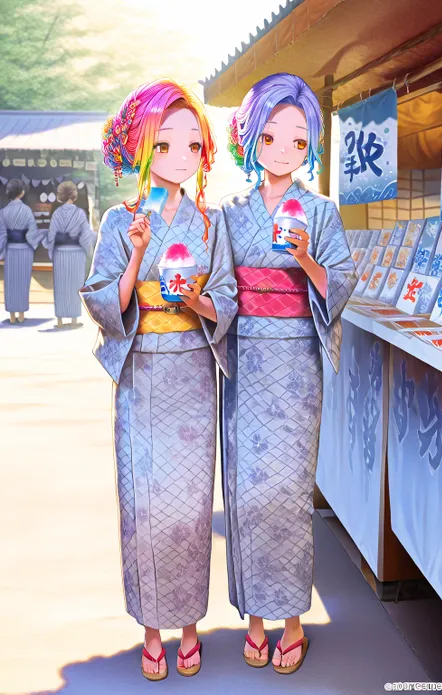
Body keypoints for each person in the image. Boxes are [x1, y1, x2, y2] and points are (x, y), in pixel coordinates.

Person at [80, 79, 237, 681]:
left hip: (194, 375)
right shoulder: (122, 220)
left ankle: (191, 627)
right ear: (142, 148)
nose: (180, 156)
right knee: (144, 505)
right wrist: (139, 257)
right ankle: (152, 629)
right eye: (166, 144)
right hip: (142, 372)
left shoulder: (210, 221)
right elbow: (104, 302)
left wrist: (197, 300)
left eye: (192, 145)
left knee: (191, 507)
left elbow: (225, 300)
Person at [221, 73, 358, 674]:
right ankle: (254, 617)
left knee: (289, 494)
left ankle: (293, 618)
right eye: (271, 134)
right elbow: (220, 290)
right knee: (247, 493)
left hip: (298, 363)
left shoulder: (323, 212)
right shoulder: (228, 214)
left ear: (311, 146)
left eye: (298, 139)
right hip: (246, 360)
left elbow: (340, 284)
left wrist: (303, 255)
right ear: (251, 137)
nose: (283, 148)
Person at [44, 181, 94, 328]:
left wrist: (51, 252)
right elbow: (85, 236)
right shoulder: (79, 213)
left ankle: (59, 320)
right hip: (76, 253)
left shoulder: (57, 213)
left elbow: (51, 235)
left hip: (60, 253)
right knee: (74, 285)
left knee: (60, 285)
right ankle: (73, 320)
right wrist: (89, 253)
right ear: (73, 195)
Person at [0, 179, 43, 323]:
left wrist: (1, 251)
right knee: (23, 281)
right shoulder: (27, 211)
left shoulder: (3, 212)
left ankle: (12, 316)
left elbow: (2, 235)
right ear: (22, 192)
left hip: (11, 250)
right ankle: (21, 315)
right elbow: (32, 233)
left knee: (11, 282)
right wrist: (35, 243)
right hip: (25, 250)